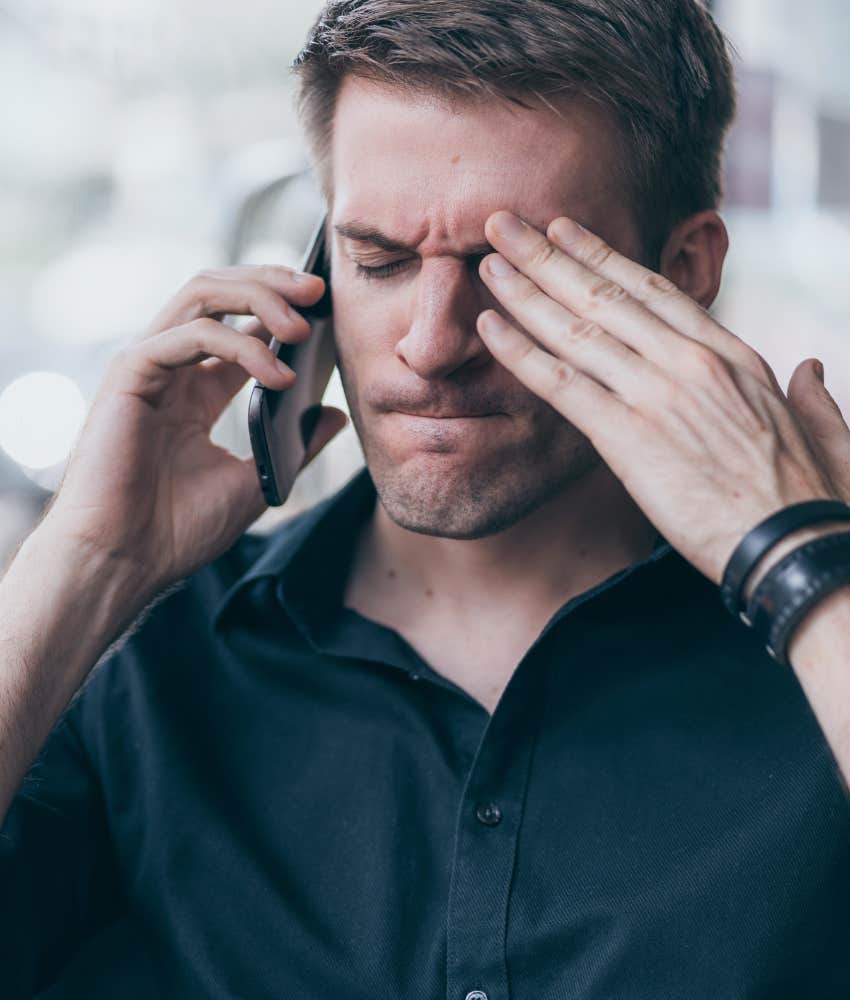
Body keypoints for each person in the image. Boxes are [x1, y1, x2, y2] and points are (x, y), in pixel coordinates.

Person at [3, 1, 850, 996]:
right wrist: (78, 568)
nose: (428, 343)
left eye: (509, 269)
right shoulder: (133, 671)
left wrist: (804, 574)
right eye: (379, 261)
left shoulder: (822, 639)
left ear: (681, 270)